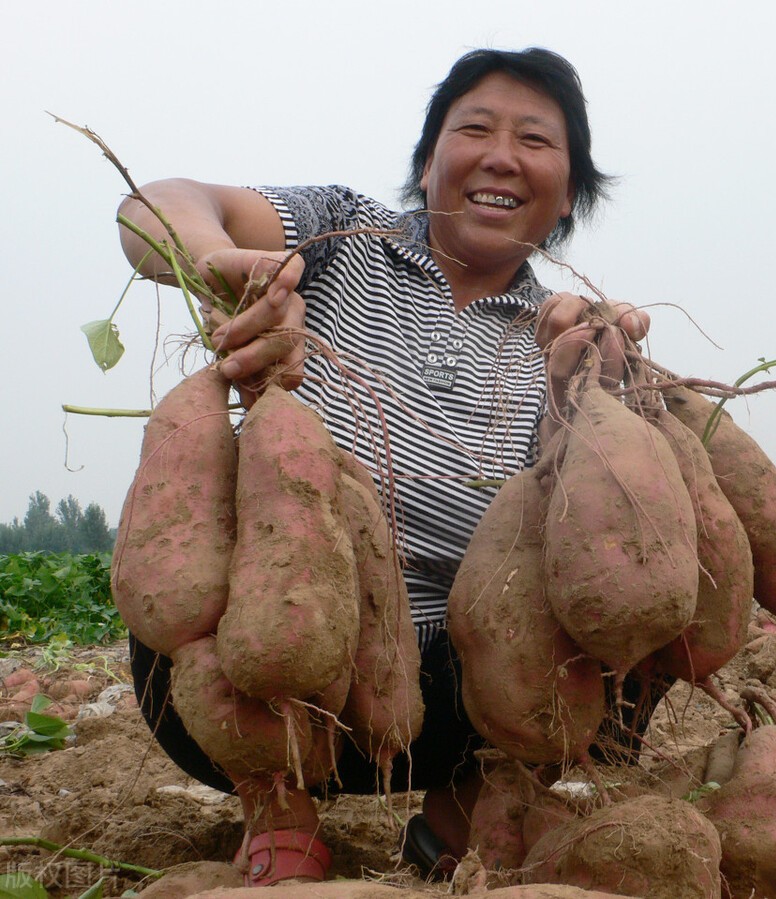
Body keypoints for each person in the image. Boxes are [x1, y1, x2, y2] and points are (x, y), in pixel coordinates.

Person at [117, 47, 655, 887]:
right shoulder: (340, 237)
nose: (501, 156)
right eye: (473, 129)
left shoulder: (565, 332)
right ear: (429, 162)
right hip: (284, 637)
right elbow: (158, 205)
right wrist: (222, 264)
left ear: (572, 192)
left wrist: (595, 391)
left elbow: (587, 541)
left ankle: (460, 817)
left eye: (535, 141)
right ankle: (277, 806)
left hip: (457, 684)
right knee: (202, 591)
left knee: (637, 597)